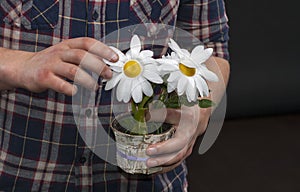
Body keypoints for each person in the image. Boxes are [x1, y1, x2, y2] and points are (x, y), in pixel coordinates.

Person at [0, 0, 230, 191]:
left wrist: (199, 110)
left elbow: (210, 44)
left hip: (149, 183)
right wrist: (18, 65)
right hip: (18, 176)